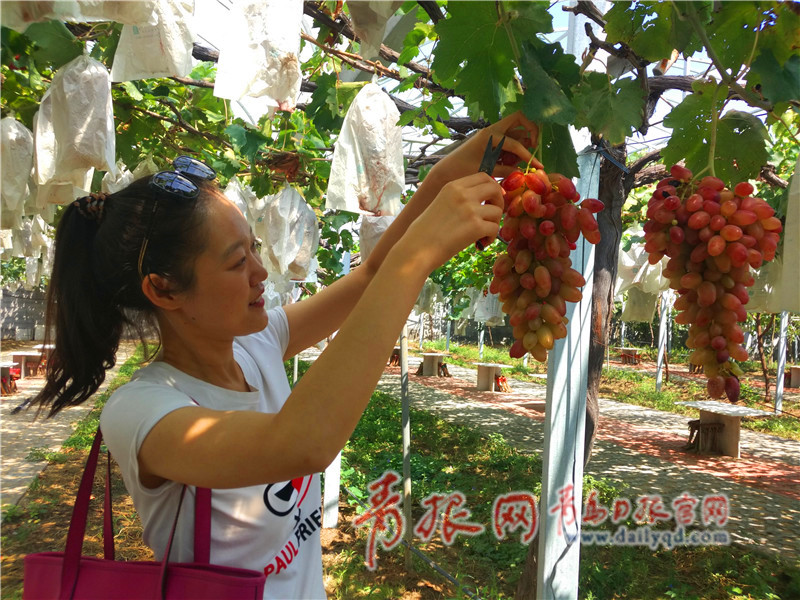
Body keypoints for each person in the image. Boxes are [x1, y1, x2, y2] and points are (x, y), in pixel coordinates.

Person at [32, 112, 538, 598]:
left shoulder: (256, 346)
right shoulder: (144, 412)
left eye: (254, 248)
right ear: (164, 290)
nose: (260, 272)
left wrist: (463, 162)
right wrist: (417, 257)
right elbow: (303, 442)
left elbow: (368, 277)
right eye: (236, 263)